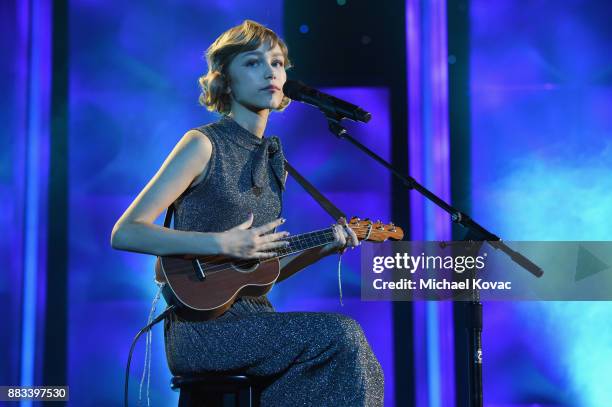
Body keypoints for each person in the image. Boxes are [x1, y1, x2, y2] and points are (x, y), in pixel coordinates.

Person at [111, 19, 384, 406]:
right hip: (201, 332)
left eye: (276, 63)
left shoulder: (275, 161)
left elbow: (259, 275)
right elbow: (126, 232)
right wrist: (222, 242)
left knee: (361, 358)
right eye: (253, 63)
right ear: (225, 79)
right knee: (341, 336)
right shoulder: (202, 144)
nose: (270, 72)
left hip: (257, 320)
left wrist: (322, 249)